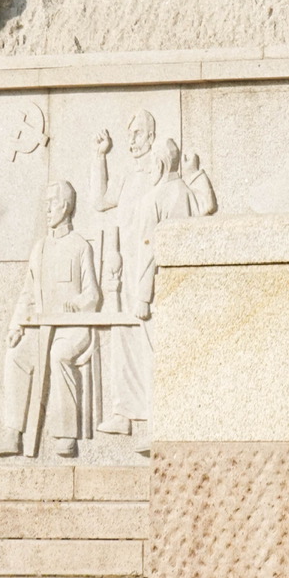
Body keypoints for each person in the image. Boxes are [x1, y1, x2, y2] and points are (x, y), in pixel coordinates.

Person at [89, 113, 215, 435]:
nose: (131, 140)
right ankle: (124, 412)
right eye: (129, 134)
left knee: (151, 342)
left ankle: (158, 418)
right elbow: (99, 201)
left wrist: (193, 173)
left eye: (137, 133)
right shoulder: (127, 176)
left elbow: (202, 207)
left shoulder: (163, 181)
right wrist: (100, 157)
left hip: (151, 271)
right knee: (124, 337)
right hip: (127, 269)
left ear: (151, 137)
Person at [0, 181, 99, 461]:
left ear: (66, 206)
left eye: (52, 202)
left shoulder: (80, 246)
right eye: (46, 202)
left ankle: (66, 435)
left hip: (72, 329)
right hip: (41, 329)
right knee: (16, 355)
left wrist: (77, 303)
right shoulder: (40, 248)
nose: (47, 208)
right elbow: (27, 293)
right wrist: (16, 326)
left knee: (58, 355)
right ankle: (12, 432)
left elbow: (93, 294)